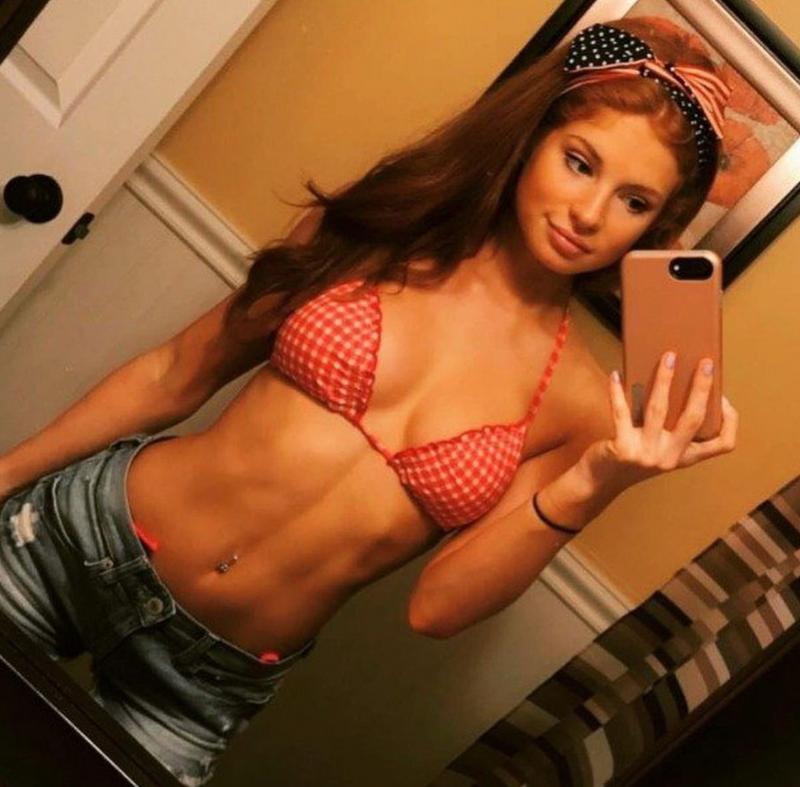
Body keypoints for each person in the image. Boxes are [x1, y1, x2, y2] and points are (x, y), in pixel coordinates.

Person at [0, 17, 739, 786]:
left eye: (634, 201)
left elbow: (436, 609)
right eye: (579, 162)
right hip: (82, 535)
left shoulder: (584, 406)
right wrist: (6, 471)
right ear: (531, 138)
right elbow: (175, 372)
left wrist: (600, 480)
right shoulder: (381, 228)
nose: (590, 213)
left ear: (657, 227)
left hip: (203, 676)